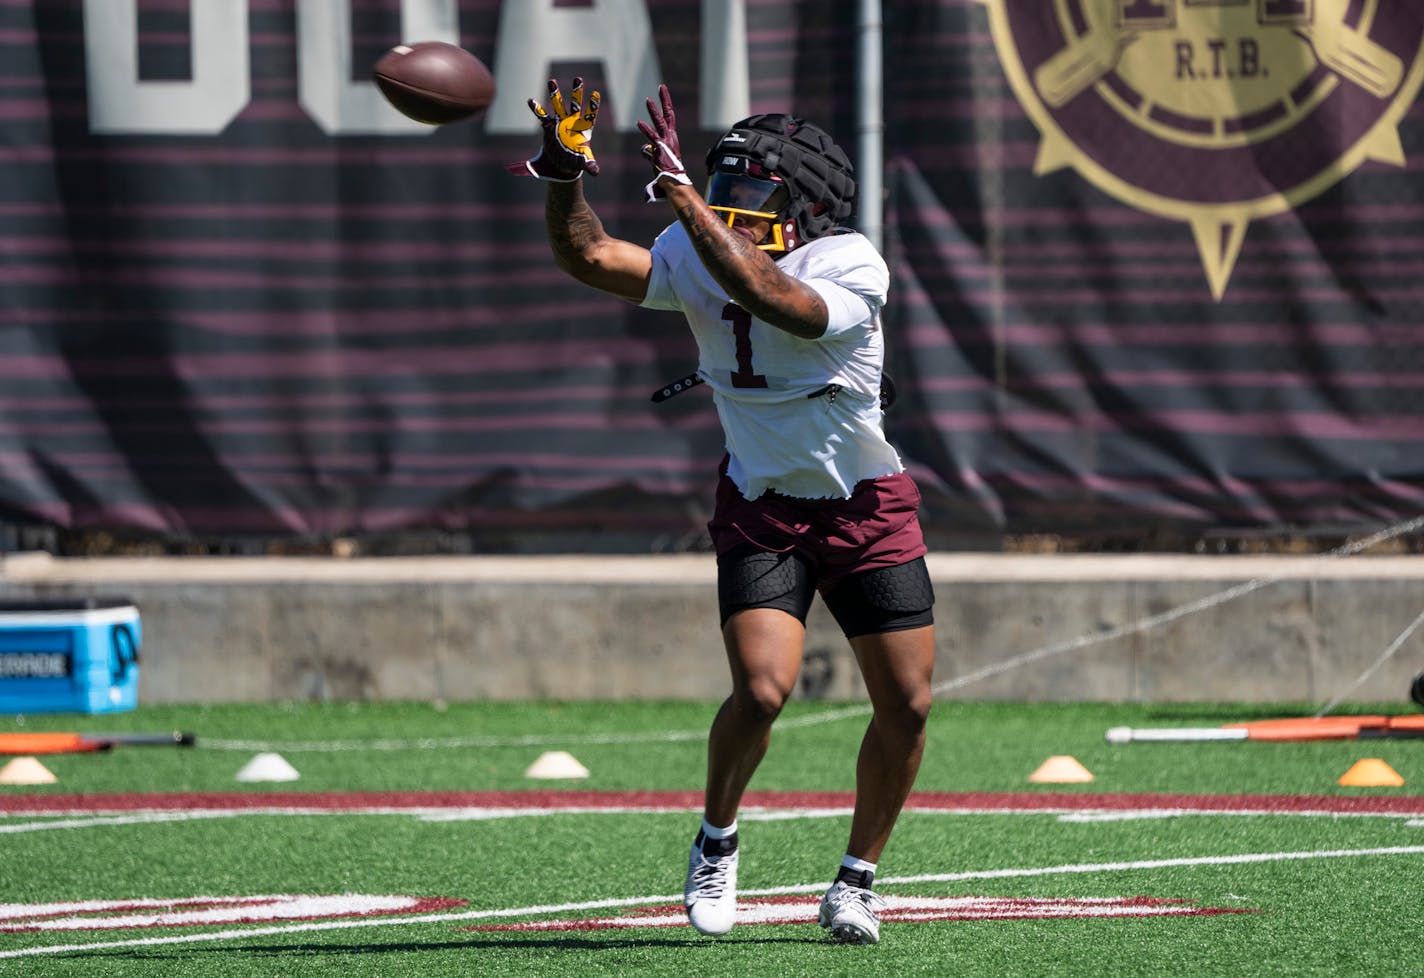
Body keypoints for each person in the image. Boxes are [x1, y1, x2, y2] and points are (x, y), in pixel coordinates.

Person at [510, 79, 936, 945]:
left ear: (809, 206)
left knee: (909, 704)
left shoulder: (850, 263)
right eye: (724, 188)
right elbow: (589, 256)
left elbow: (784, 305)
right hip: (763, 502)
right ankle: (717, 837)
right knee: (763, 689)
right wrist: (563, 173)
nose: (734, 206)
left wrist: (689, 203)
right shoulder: (693, 240)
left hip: (865, 506)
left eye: (754, 192)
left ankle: (855, 881)